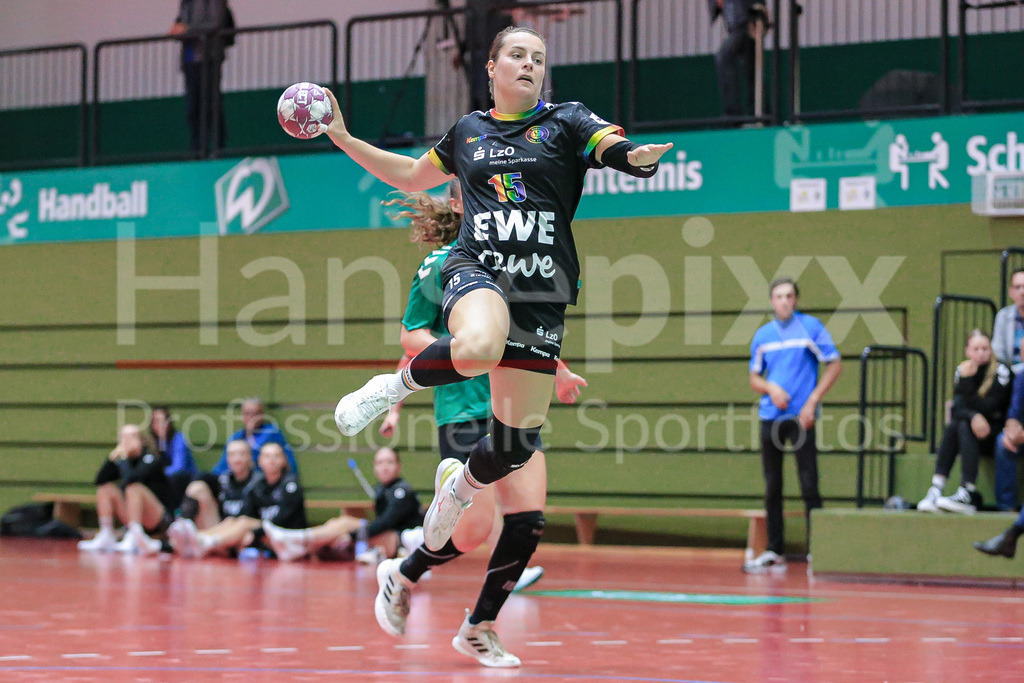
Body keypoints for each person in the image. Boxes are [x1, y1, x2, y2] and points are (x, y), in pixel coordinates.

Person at [324, 25, 670, 666]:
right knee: (479, 344)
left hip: (543, 293)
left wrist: (633, 158)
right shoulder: (467, 132)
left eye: (539, 58)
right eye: (518, 55)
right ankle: (388, 388)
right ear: (490, 67)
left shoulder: (565, 122)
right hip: (476, 269)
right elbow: (408, 174)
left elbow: (607, 143)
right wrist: (342, 135)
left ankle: (464, 552)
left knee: (512, 451)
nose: (531, 65)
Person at [366, 179, 585, 660]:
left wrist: (560, 370)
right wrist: (467, 355)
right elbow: (410, 336)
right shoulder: (442, 263)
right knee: (471, 530)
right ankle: (403, 573)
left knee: (528, 521)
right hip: (464, 409)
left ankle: (477, 627)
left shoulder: (512, 259)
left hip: (514, 405)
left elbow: (527, 330)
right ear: (461, 203)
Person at [745, 277, 842, 573]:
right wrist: (770, 389)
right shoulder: (762, 336)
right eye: (778, 296)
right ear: (771, 301)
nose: (784, 301)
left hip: (802, 418)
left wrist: (813, 400)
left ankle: (818, 550)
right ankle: (775, 550)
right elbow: (754, 377)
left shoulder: (811, 328)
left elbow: (834, 363)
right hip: (770, 417)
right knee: (772, 485)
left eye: (789, 296)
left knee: (809, 483)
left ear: (796, 299)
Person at [263, 446, 423, 563]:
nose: (384, 467)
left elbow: (386, 522)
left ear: (399, 466)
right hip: (388, 541)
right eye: (380, 463)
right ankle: (298, 545)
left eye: (389, 462)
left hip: (402, 542)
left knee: (346, 524)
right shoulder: (381, 489)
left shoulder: (401, 491)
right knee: (337, 524)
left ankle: (295, 539)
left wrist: (351, 536)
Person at [917, 330, 1012, 514]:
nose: (981, 353)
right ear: (967, 351)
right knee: (957, 424)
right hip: (972, 431)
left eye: (985, 348)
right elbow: (956, 408)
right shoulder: (963, 370)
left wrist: (970, 405)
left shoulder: (1001, 372)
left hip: (995, 432)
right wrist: (973, 416)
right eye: (975, 349)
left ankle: (967, 490)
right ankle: (937, 488)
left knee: (963, 423)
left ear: (991, 349)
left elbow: (990, 406)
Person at [169, 442, 305, 558]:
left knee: (243, 522)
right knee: (234, 521)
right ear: (260, 461)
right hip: (257, 532)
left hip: (283, 536)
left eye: (276, 456)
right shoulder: (260, 486)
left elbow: (282, 520)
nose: (272, 461)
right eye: (267, 456)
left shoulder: (289, 484)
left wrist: (254, 534)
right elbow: (255, 512)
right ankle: (193, 538)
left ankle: (202, 541)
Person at [77, 424, 175, 556]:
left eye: (130, 437)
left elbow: (132, 479)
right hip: (133, 514)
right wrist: (111, 459)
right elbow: (99, 480)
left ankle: (134, 536)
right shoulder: (124, 459)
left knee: (133, 489)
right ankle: (106, 533)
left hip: (158, 518)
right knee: (106, 488)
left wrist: (123, 459)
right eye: (123, 438)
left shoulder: (150, 458)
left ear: (141, 440)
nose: (126, 442)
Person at [170, 0, 232, 155]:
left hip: (209, 57)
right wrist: (177, 29)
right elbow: (183, 22)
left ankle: (218, 148)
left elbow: (215, 23)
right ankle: (197, 148)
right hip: (190, 59)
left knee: (211, 104)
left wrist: (187, 30)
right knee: (193, 106)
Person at [173, 438, 262, 533]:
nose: (237, 459)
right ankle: (183, 526)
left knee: (242, 522)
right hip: (221, 528)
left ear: (250, 456)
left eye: (242, 454)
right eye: (232, 454)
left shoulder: (260, 481)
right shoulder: (223, 480)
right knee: (197, 488)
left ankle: (199, 538)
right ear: (227, 458)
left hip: (248, 531)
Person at [211, 398, 298, 476]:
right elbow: (221, 467)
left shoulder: (271, 432)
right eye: (247, 413)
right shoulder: (235, 437)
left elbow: (289, 463)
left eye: (255, 414)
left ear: (262, 415)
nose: (251, 417)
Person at [711, 0, 756, 118]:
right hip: (737, 24)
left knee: (724, 57)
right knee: (751, 69)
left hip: (744, 22)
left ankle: (733, 113)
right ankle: (759, 112)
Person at [147, 405, 198, 509]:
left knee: (173, 479)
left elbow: (179, 467)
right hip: (163, 481)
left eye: (163, 421)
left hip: (184, 480)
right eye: (156, 421)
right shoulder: (150, 443)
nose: (160, 425)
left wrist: (158, 475)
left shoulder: (178, 438)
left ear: (169, 423)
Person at [991, 268, 1024, 375]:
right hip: (1010, 377)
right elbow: (998, 352)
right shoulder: (1003, 316)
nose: (1022, 292)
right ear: (1011, 292)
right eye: (1017, 287)